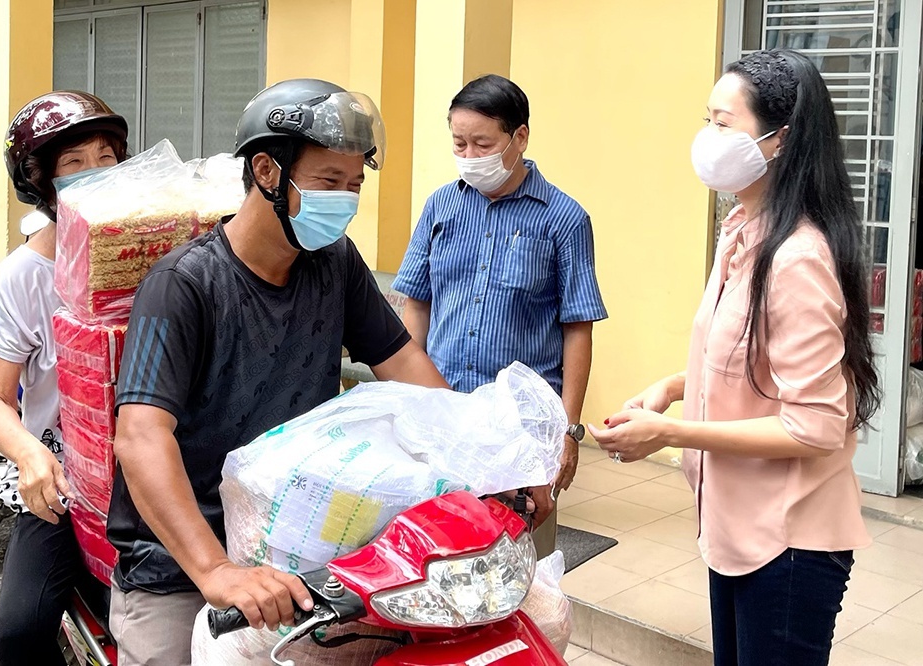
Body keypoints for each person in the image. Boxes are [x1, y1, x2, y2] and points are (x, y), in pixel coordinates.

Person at [105, 78, 450, 666]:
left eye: (354, 185)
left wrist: (479, 457)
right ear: (267, 171)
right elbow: (140, 436)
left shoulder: (334, 263)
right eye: (328, 182)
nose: (345, 200)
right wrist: (216, 570)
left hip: (298, 545)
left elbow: (404, 362)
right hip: (182, 564)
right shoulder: (182, 285)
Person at [591, 50, 878, 666]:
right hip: (737, 526)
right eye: (708, 120)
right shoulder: (744, 229)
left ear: (781, 140)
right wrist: (673, 387)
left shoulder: (797, 257)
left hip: (788, 541)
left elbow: (815, 424)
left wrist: (670, 432)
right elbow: (747, 358)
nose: (708, 138)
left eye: (724, 123)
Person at [392, 74, 607, 556]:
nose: (470, 155)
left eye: (483, 144)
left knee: (516, 562)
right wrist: (408, 399)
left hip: (520, 430)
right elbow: (417, 303)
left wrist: (568, 431)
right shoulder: (440, 206)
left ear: (520, 137)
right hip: (444, 413)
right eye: (459, 143)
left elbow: (578, 327)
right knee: (436, 556)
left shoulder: (564, 219)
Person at [0, 91, 128, 665]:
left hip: (153, 467)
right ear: (42, 183)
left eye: (106, 158)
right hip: (63, 483)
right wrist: (31, 456)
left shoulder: (154, 254)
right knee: (19, 632)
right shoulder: (21, 278)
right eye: (74, 163)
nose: (96, 174)